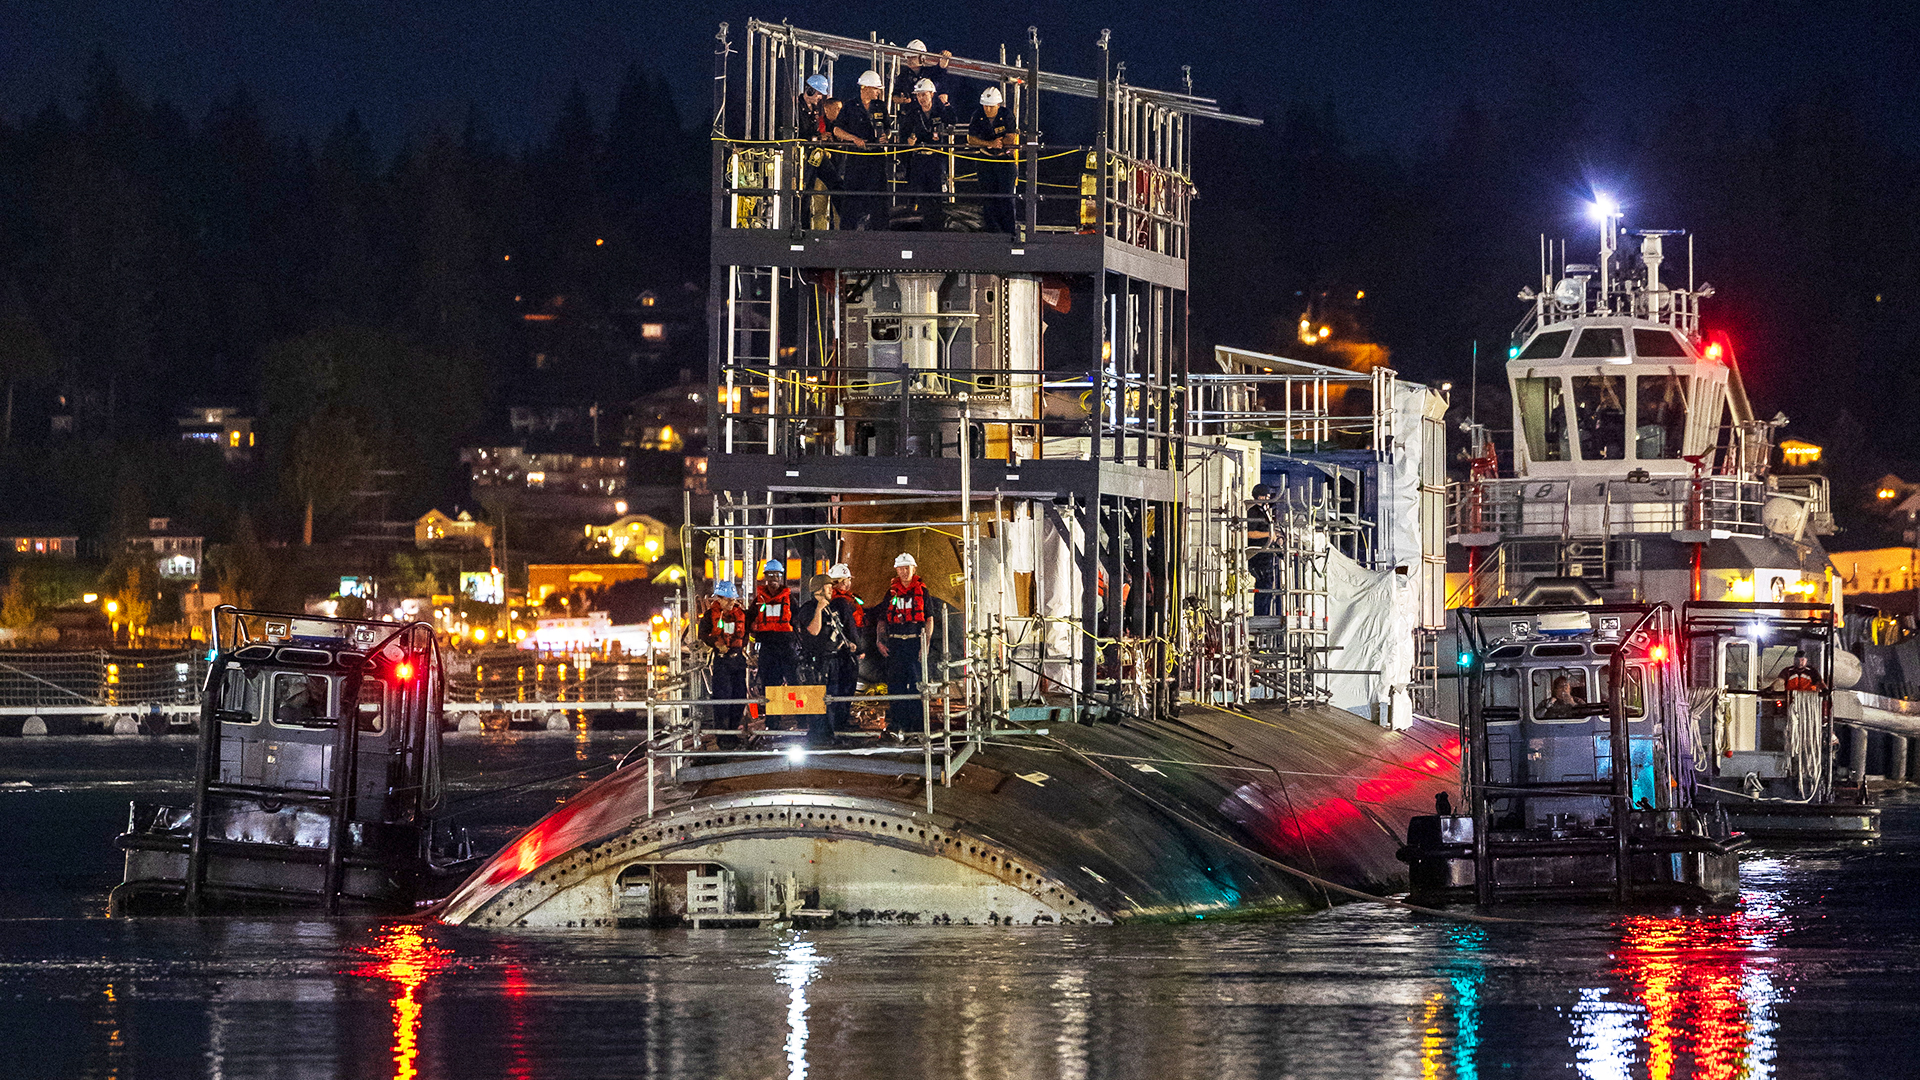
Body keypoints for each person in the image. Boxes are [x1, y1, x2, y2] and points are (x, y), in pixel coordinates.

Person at [797, 573, 860, 745]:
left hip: (833, 661)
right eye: (828, 587)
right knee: (818, 701)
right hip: (816, 663)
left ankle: (830, 735)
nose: (832, 590)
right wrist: (818, 609)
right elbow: (813, 631)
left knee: (832, 700)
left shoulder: (832, 609)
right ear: (819, 589)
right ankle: (817, 736)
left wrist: (849, 645)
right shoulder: (808, 608)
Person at [878, 552, 932, 735]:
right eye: (900, 568)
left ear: (914, 569)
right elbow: (882, 619)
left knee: (917, 685)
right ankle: (898, 723)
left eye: (907, 568)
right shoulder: (891, 593)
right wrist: (880, 640)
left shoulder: (923, 592)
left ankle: (918, 726)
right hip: (895, 645)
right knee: (895, 686)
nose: (904, 571)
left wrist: (926, 644)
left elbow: (929, 619)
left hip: (914, 643)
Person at [897, 79, 959, 229]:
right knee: (916, 193)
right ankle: (914, 226)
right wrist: (909, 141)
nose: (921, 99)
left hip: (935, 158)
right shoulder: (912, 113)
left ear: (932, 94)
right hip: (918, 158)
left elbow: (953, 120)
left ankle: (935, 227)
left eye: (924, 95)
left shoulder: (939, 111)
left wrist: (946, 104)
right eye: (919, 96)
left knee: (935, 193)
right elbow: (903, 133)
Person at [832, 70, 890, 230]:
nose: (878, 92)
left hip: (876, 158)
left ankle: (881, 231)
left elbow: (888, 127)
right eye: (876, 88)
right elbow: (837, 130)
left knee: (879, 196)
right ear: (865, 88)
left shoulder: (881, 106)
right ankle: (848, 232)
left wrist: (885, 136)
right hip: (856, 159)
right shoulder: (850, 106)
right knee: (852, 196)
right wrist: (853, 139)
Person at [698, 582, 749, 733]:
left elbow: (746, 634)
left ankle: (734, 730)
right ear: (718, 599)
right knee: (722, 697)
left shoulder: (742, 615)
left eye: (733, 599)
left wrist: (742, 646)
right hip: (721, 661)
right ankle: (721, 733)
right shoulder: (709, 616)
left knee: (739, 696)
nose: (731, 602)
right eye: (727, 599)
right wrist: (716, 642)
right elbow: (703, 634)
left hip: (738, 660)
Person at [967, 86, 1019, 235]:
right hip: (986, 160)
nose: (987, 109)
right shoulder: (978, 115)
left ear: (998, 105)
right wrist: (990, 144)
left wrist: (1001, 143)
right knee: (988, 197)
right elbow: (971, 139)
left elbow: (1011, 136)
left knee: (1006, 197)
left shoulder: (1006, 114)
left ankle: (1009, 232)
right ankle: (992, 232)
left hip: (1004, 161)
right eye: (985, 106)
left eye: (990, 106)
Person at [750, 559, 799, 706]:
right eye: (770, 575)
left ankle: (801, 720)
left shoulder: (789, 599)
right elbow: (749, 623)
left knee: (794, 682)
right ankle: (772, 722)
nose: (774, 578)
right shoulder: (758, 601)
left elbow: (798, 621)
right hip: (767, 648)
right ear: (765, 577)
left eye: (777, 575)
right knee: (770, 686)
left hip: (787, 647)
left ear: (781, 576)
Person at [1247, 484, 1278, 617]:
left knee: (1268, 586)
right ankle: (1260, 615)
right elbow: (1249, 533)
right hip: (1258, 554)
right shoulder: (1254, 512)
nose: (1269, 498)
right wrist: (1267, 535)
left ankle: (1264, 614)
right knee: (1263, 585)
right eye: (1267, 495)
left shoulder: (1265, 512)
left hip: (1265, 554)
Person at [891, 40, 954, 104]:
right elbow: (895, 94)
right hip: (910, 111)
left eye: (913, 57)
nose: (909, 59)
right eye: (908, 57)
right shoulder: (903, 75)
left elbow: (940, 75)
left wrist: (944, 58)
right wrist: (900, 100)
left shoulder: (930, 72)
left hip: (930, 110)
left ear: (922, 58)